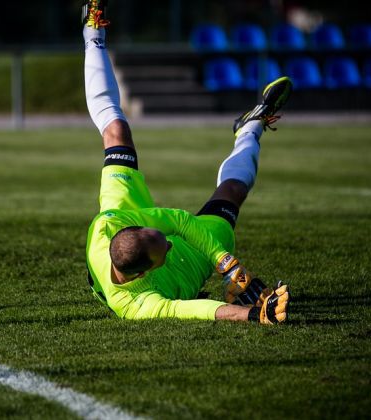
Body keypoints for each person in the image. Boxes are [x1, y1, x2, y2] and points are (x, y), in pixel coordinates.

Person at [82, 0, 290, 324]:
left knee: (116, 131)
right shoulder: (135, 305)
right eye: (163, 245)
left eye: (157, 234)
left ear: (135, 227)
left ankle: (92, 35)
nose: (169, 240)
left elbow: (178, 222)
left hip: (121, 210)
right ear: (148, 271)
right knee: (233, 191)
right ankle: (251, 127)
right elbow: (194, 310)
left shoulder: (106, 227)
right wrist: (253, 314)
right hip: (182, 272)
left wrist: (229, 266)